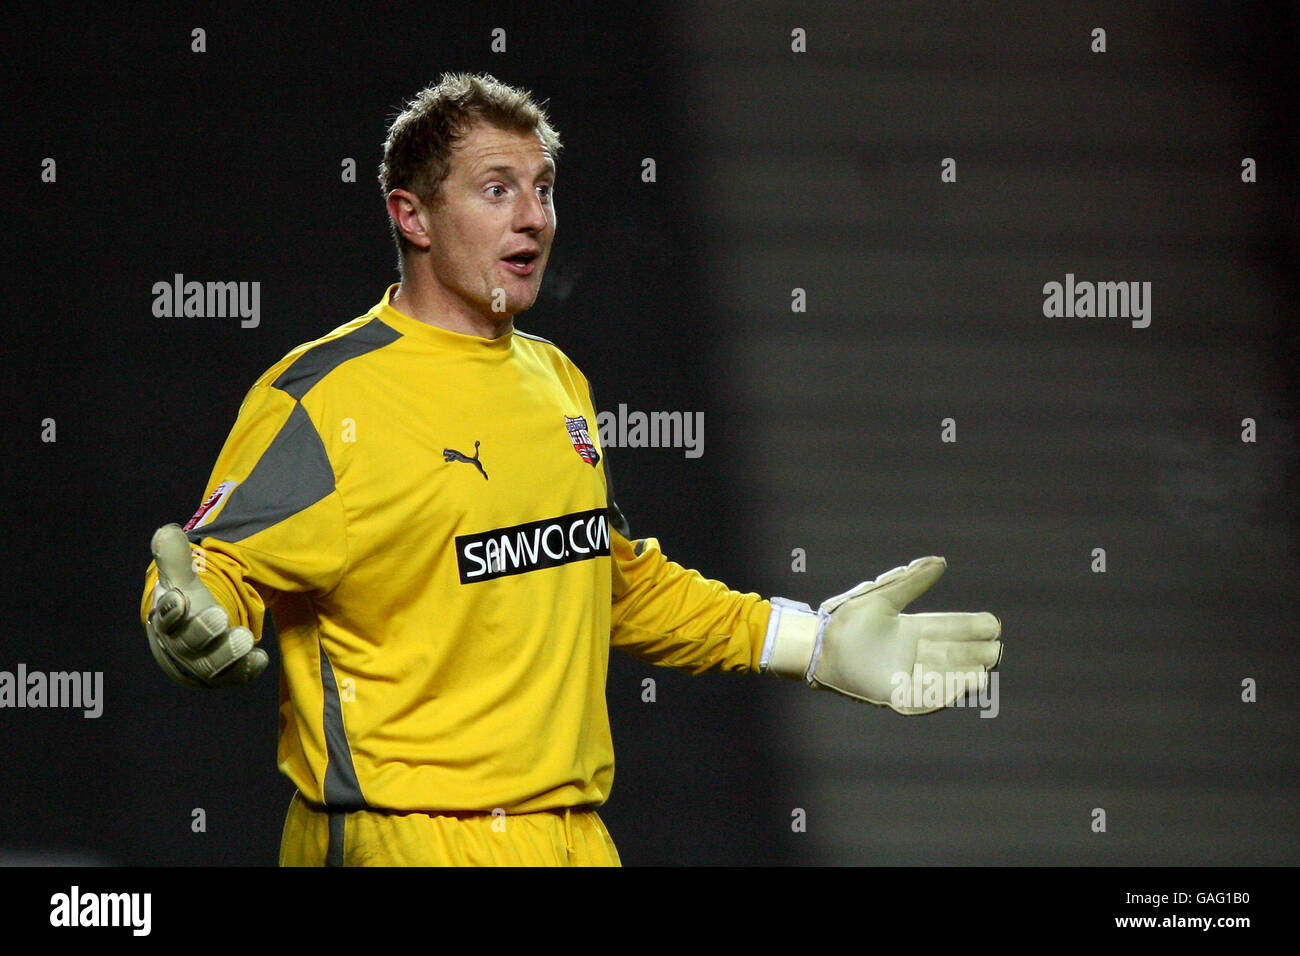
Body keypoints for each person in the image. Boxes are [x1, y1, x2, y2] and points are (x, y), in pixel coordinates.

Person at [139, 72, 1003, 867]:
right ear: (412, 216)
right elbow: (212, 570)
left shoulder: (556, 379)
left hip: (574, 838)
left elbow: (608, 578)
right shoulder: (323, 398)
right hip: (402, 839)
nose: (534, 217)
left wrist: (811, 642)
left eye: (543, 189)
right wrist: (186, 621)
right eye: (496, 189)